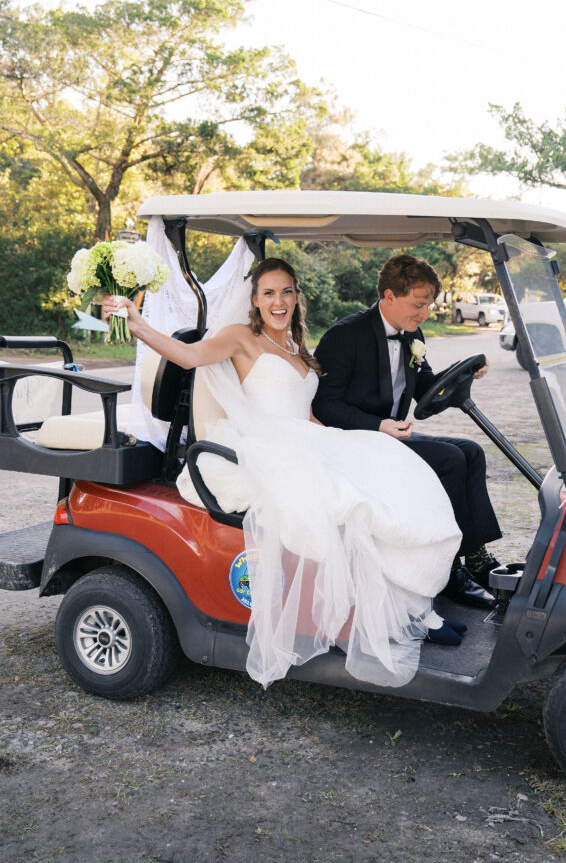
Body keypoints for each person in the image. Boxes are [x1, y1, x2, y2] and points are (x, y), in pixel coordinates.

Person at [102, 254, 466, 692]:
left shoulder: (296, 344)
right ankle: (406, 613)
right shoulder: (240, 337)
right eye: (269, 293)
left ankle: (414, 603)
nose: (279, 301)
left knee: (398, 472)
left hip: (302, 440)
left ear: (296, 297)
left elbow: (308, 414)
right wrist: (137, 323)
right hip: (262, 447)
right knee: (353, 501)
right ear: (255, 300)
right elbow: (187, 355)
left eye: (287, 292)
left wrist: (357, 440)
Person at [312, 253, 503, 607]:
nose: (425, 313)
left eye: (428, 305)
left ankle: (475, 555)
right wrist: (376, 425)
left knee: (471, 452)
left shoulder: (412, 334)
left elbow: (426, 387)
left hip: (389, 438)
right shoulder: (345, 336)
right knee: (450, 459)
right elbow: (324, 405)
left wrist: (462, 376)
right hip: (355, 442)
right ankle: (449, 571)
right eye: (418, 304)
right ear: (388, 297)